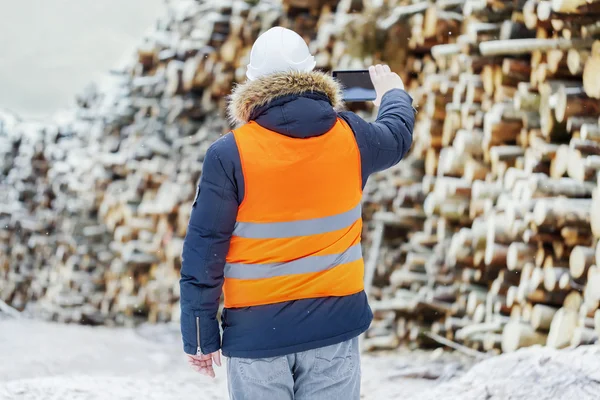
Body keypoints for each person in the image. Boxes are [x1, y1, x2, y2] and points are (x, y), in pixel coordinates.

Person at [180, 26, 415, 399]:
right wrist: (394, 94)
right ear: (313, 74)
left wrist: (199, 334)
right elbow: (397, 135)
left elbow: (204, 250)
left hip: (257, 339)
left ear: (252, 84)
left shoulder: (229, 154)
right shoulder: (351, 136)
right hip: (333, 331)